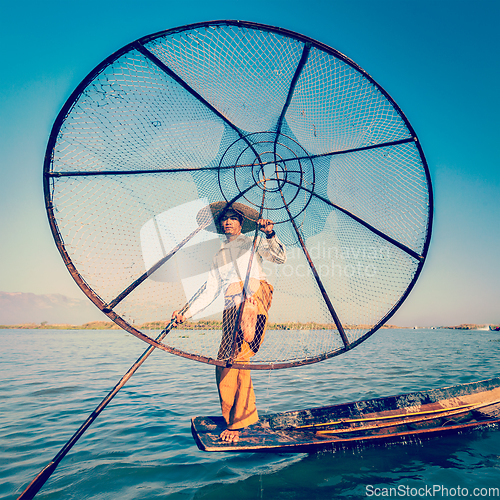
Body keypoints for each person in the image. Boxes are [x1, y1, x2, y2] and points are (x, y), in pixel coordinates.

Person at [172, 202, 286, 443]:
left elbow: (279, 258)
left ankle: (238, 423)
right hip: (230, 306)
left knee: (239, 358)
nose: (228, 222)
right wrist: (186, 313)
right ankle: (235, 416)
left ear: (241, 222)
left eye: (233, 218)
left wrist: (269, 234)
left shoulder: (253, 241)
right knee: (224, 362)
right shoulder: (220, 254)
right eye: (224, 218)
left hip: (253, 299)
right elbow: (209, 290)